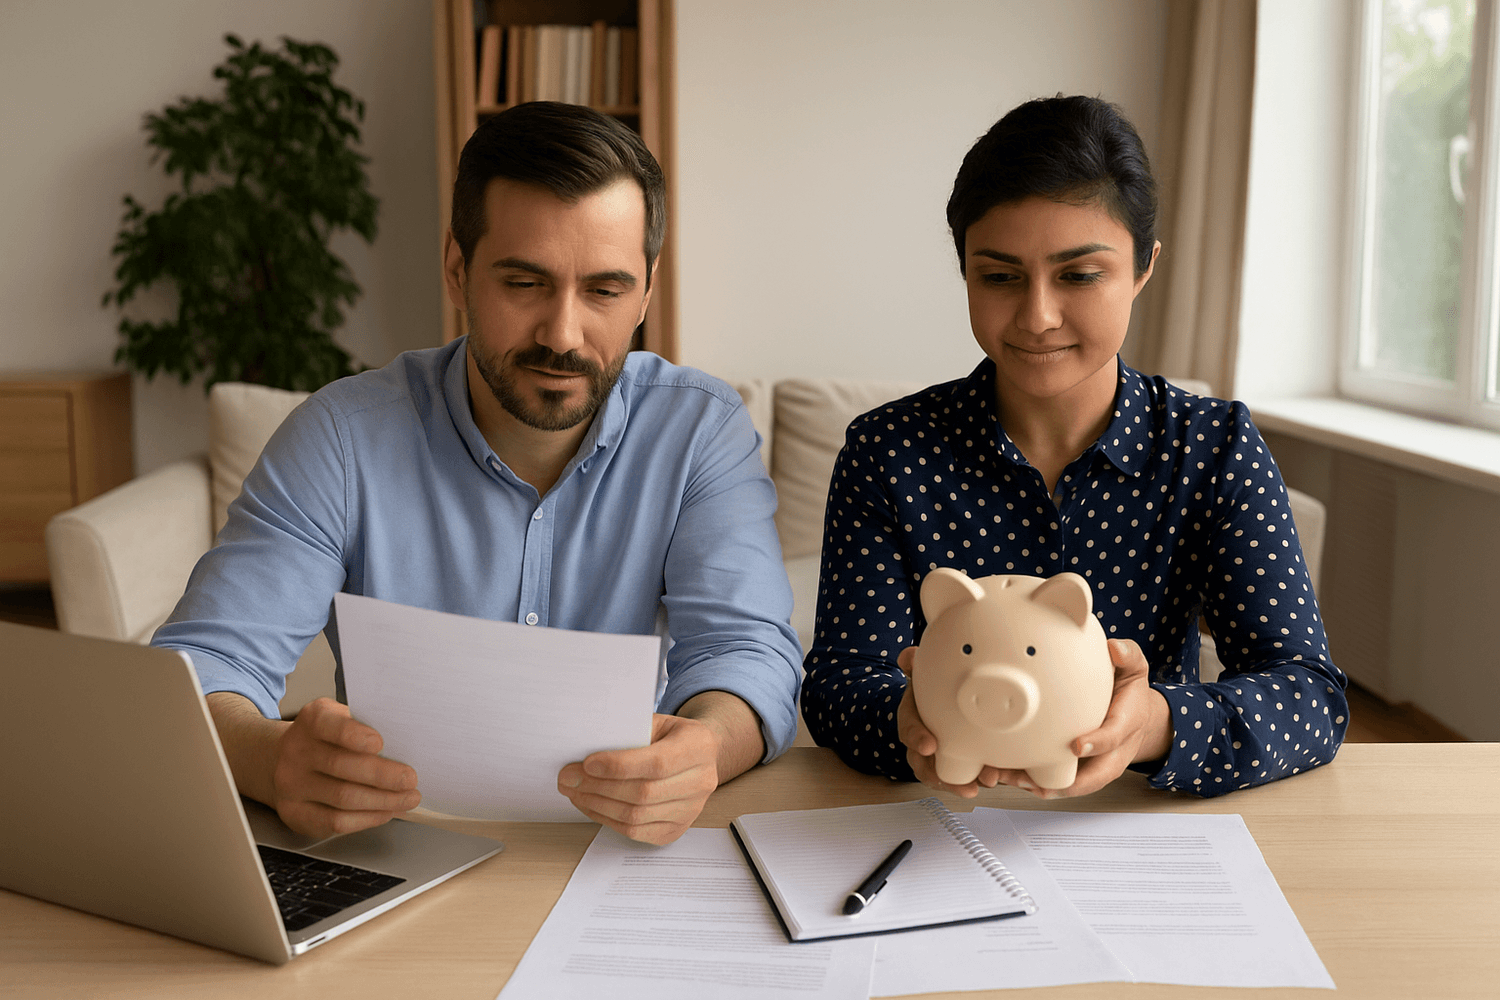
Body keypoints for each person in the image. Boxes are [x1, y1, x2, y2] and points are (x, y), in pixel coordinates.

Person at [152, 102, 801, 845]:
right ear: (458, 270)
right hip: (395, 847)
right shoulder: (340, 436)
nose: (562, 334)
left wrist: (707, 750)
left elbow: (746, 655)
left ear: (647, 292)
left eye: (604, 291)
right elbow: (202, 664)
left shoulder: (699, 432)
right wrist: (270, 762)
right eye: (524, 283)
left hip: (616, 852)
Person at [801, 95, 1348, 799]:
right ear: (963, 268)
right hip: (936, 822)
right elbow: (840, 682)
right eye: (998, 276)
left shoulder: (1212, 448)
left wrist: (1155, 725)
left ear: (1143, 267)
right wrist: (907, 723)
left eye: (1079, 275)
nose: (1037, 316)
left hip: (1135, 824)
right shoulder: (889, 452)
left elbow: (1309, 696)